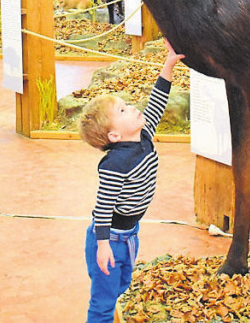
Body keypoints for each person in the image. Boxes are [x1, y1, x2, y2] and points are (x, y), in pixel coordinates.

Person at [77, 38, 184, 322]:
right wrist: (102, 247)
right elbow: (102, 208)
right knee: (102, 301)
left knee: (122, 285)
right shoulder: (114, 165)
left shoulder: (143, 135)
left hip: (130, 234)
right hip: (109, 239)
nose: (133, 108)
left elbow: (157, 102)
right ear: (114, 136)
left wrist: (169, 64)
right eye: (123, 111)